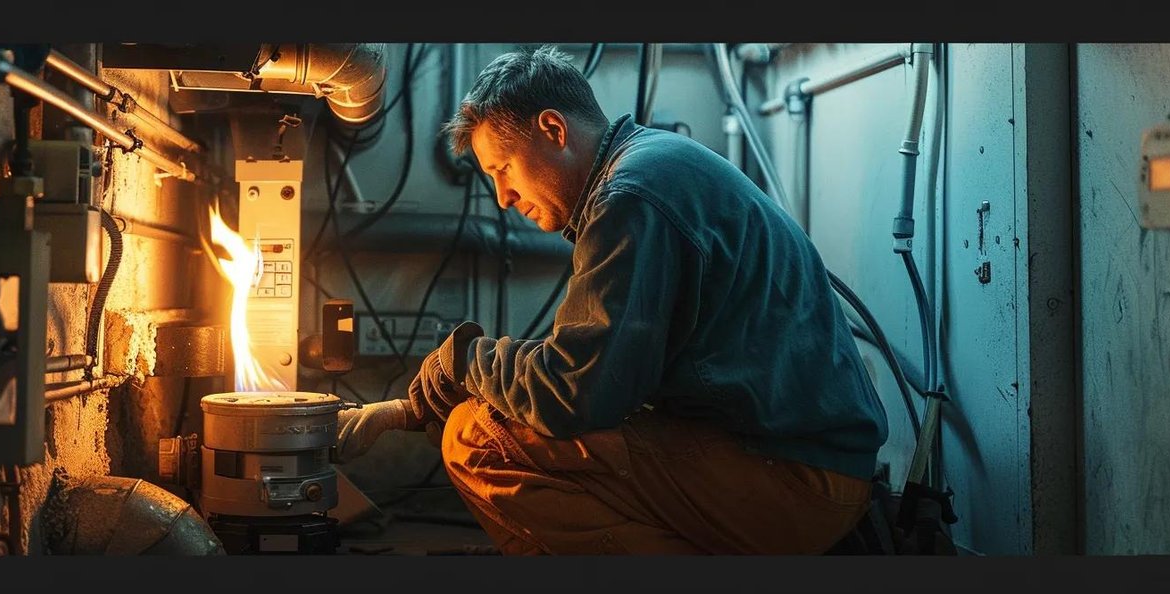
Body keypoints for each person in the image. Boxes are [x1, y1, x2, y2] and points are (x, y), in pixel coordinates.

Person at [332, 45, 888, 555]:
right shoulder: (648, 171)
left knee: (478, 439)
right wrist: (410, 407)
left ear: (552, 128)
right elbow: (581, 369)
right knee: (491, 415)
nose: (501, 198)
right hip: (808, 465)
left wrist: (461, 361)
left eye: (502, 170)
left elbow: (570, 395)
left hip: (798, 483)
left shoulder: (630, 196)